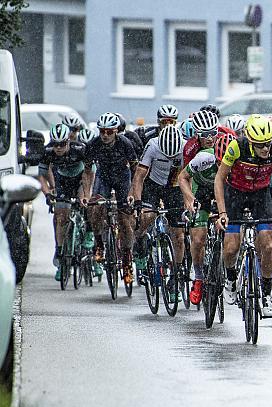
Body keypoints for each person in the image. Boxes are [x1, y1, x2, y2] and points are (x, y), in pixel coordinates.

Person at [214, 115, 272, 318]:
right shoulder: (236, 147)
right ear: (250, 141)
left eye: (268, 143)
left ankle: (266, 294)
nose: (266, 149)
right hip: (235, 193)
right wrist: (222, 212)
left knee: (267, 245)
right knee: (231, 246)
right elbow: (219, 179)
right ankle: (230, 279)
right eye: (260, 145)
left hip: (261, 194)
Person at [129, 125, 186, 301]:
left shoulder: (186, 147)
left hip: (175, 187)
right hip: (153, 185)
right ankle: (139, 244)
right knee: (147, 216)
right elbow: (139, 175)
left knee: (179, 235)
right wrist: (138, 201)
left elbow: (190, 177)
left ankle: (176, 276)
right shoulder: (153, 145)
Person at [179, 129, 235, 305]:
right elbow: (182, 177)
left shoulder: (237, 163)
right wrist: (190, 199)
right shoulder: (204, 158)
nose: (222, 166)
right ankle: (198, 277)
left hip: (225, 192)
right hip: (202, 191)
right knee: (198, 238)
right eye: (219, 162)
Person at [86, 112, 138, 284]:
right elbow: (87, 171)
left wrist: (132, 193)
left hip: (122, 177)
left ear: (116, 131)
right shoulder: (93, 144)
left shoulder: (125, 143)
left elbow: (135, 170)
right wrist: (87, 194)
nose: (105, 135)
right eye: (102, 132)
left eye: (109, 132)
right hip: (104, 177)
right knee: (95, 208)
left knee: (125, 220)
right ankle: (99, 242)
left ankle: (127, 261)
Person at [37, 124, 94, 280]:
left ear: (68, 141)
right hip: (63, 181)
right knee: (61, 215)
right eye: (56, 144)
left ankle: (88, 233)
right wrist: (48, 193)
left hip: (81, 178)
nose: (59, 148)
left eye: (62, 144)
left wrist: (87, 195)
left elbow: (89, 172)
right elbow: (41, 176)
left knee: (86, 203)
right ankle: (61, 253)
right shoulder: (48, 151)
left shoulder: (80, 149)